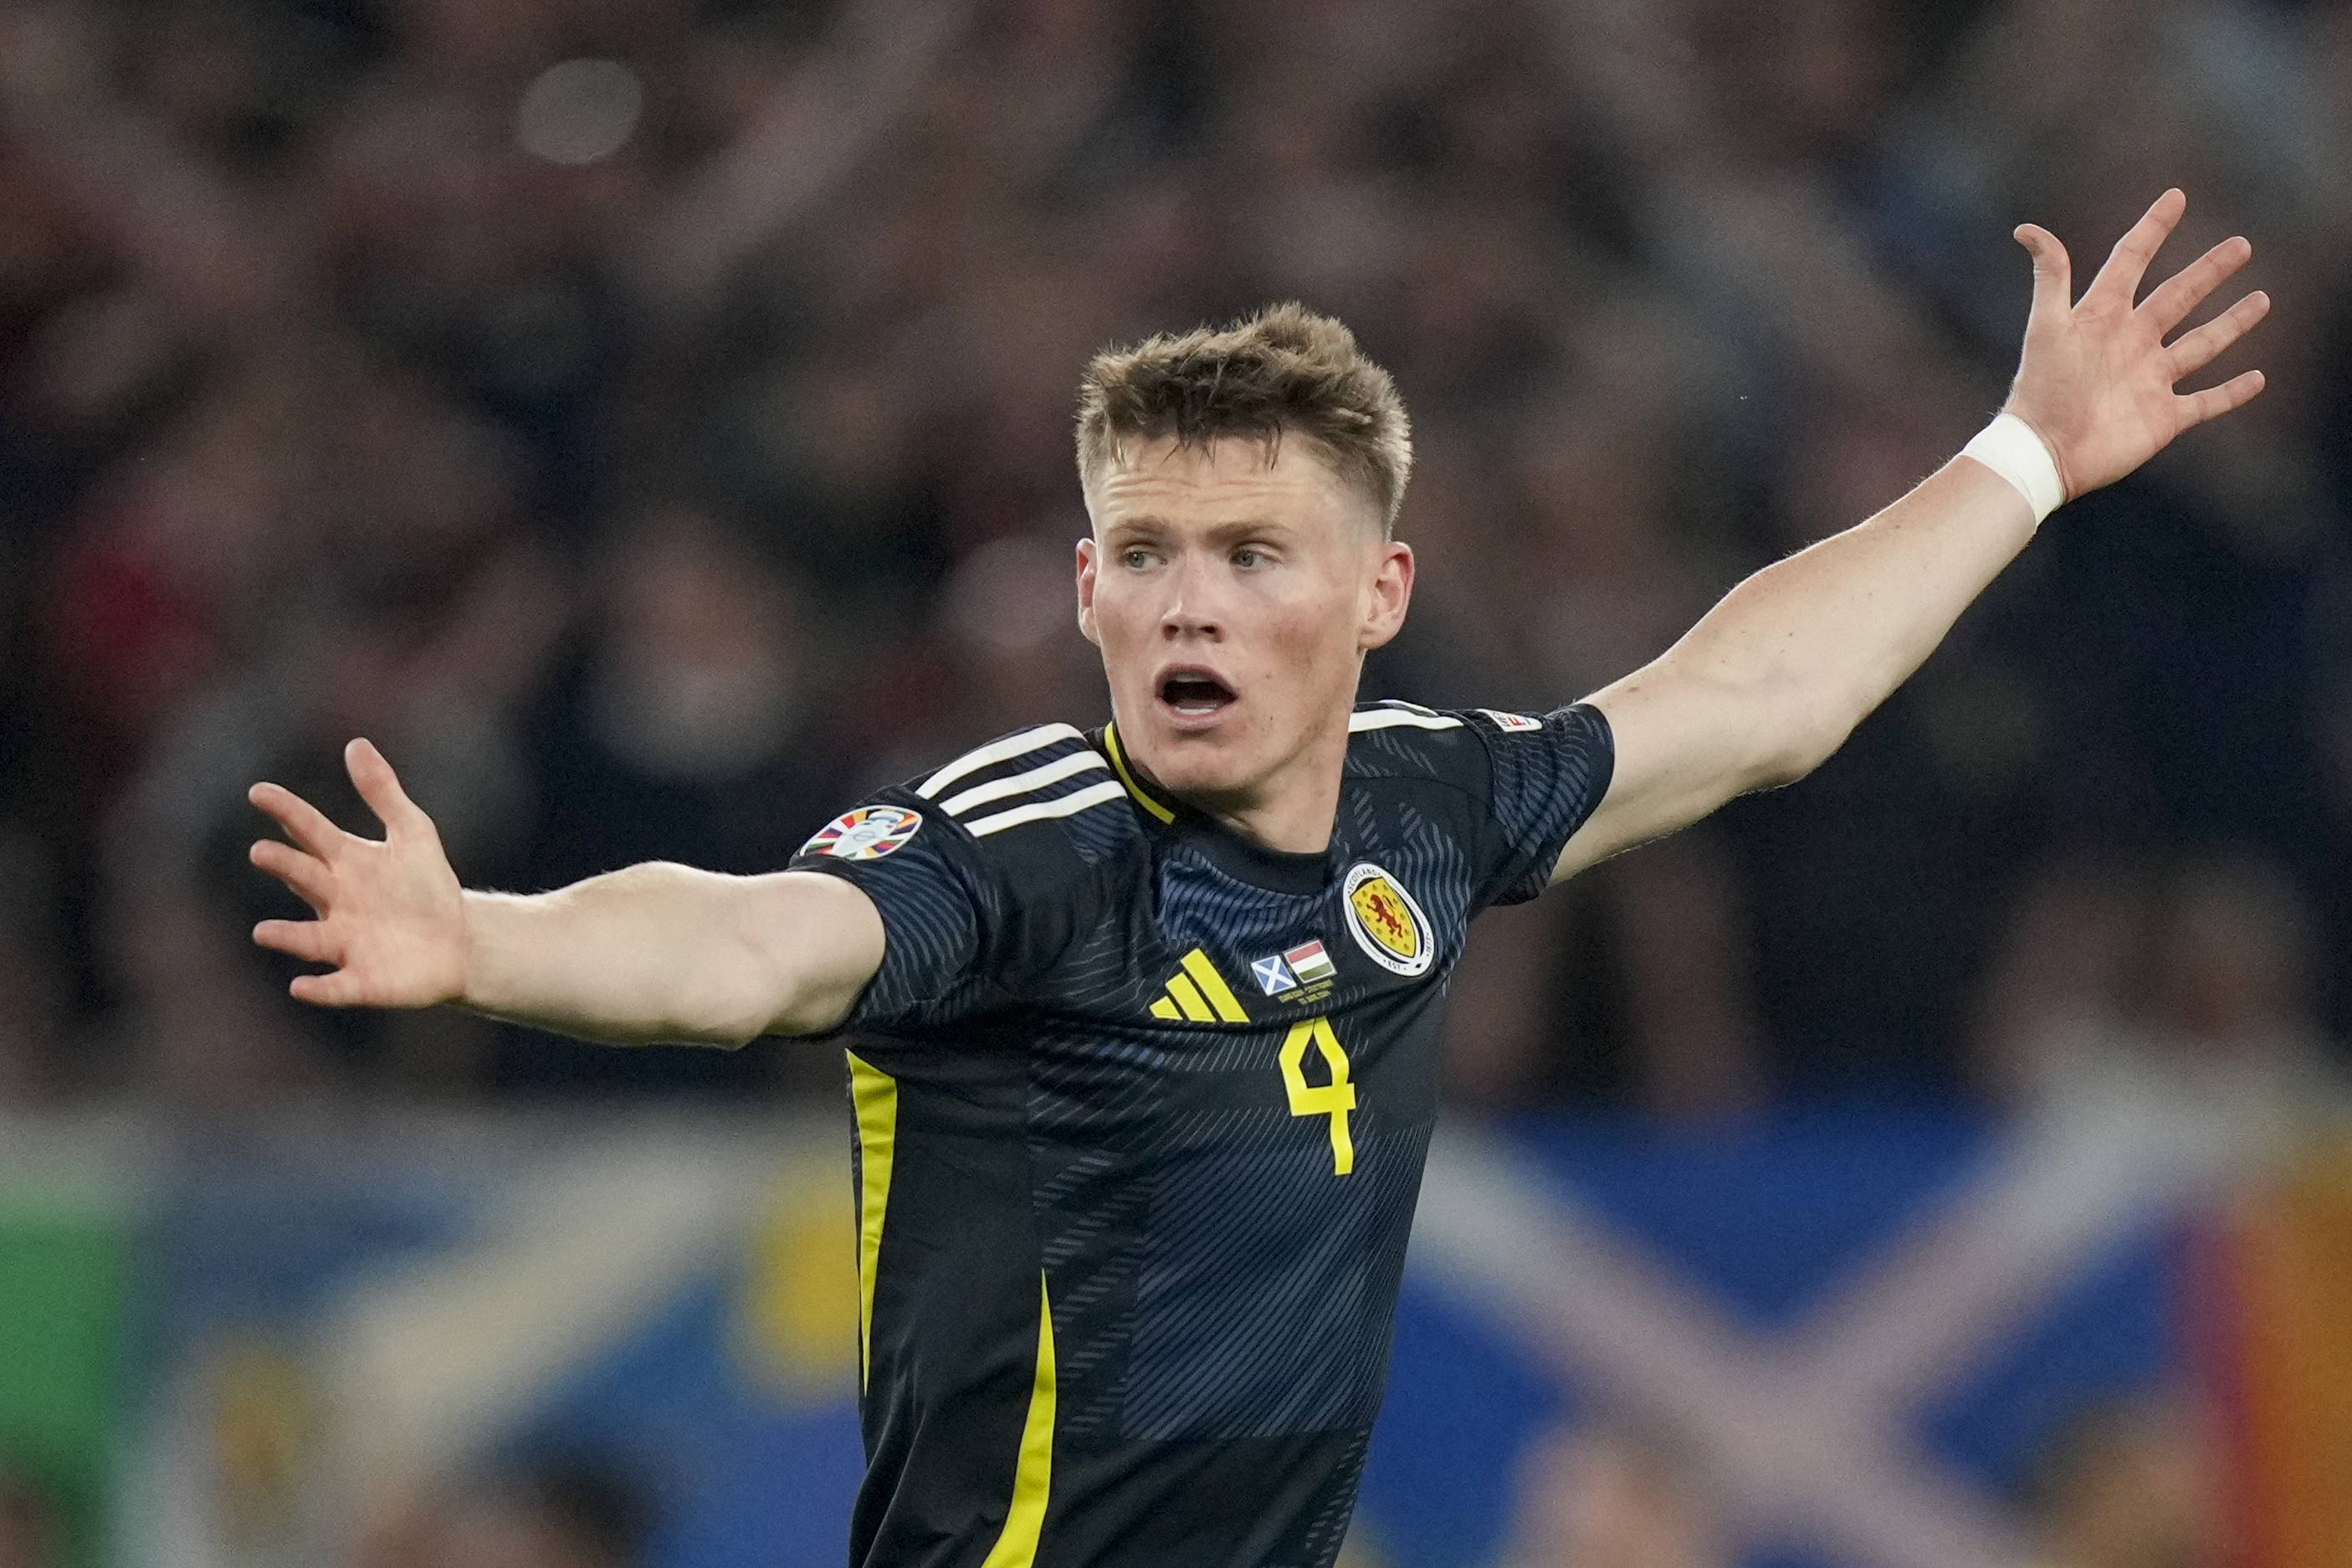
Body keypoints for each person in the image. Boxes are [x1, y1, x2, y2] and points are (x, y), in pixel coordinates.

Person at [246, 191, 2266, 1568]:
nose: (1185, 605)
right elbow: (753, 942)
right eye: (1142, 553)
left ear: (1376, 592)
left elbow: (1750, 699)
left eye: (1248, 555)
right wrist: (483, 938)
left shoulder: (1423, 810)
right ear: (1084, 588)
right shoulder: (1020, 845)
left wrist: (2020, 454)